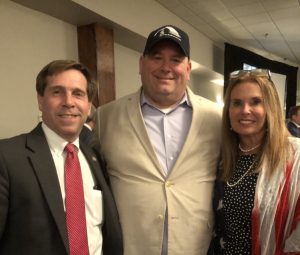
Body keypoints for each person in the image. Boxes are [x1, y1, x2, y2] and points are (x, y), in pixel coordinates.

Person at [94, 25, 222, 255]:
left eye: (175, 59)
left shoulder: (216, 118)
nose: (166, 67)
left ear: (188, 68)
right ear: (141, 63)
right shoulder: (105, 117)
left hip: (194, 246)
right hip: (130, 247)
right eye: (157, 57)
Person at [0, 60, 123, 255]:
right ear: (40, 100)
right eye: (57, 92)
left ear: (88, 105)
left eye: (78, 94)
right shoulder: (7, 157)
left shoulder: (96, 156)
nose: (68, 102)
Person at [209, 69, 300, 254]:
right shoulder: (222, 157)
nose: (245, 110)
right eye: (237, 103)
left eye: (256, 102)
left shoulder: (294, 155)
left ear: (271, 109)